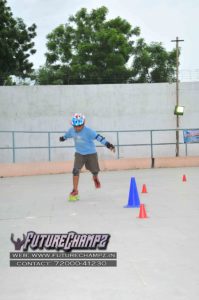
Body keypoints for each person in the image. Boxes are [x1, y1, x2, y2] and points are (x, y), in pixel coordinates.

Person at [59, 113, 115, 200]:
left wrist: (108, 145)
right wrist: (63, 138)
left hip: (91, 153)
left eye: (79, 126)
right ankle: (75, 190)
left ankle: (95, 177)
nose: (77, 128)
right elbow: (67, 135)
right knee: (75, 171)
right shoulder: (72, 130)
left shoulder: (88, 131)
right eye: (75, 126)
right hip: (79, 154)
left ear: (83, 124)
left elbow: (98, 137)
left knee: (94, 170)